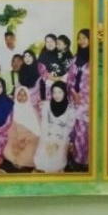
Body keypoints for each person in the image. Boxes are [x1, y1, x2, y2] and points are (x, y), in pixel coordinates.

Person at [33, 81, 76, 173]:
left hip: (62, 135)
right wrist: (47, 137)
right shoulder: (47, 105)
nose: (57, 95)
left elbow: (69, 127)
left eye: (60, 92)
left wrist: (58, 138)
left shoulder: (70, 109)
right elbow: (44, 122)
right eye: (54, 92)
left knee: (57, 156)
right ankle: (42, 166)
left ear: (65, 93)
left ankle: (56, 167)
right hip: (47, 133)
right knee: (44, 148)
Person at [65, 29, 90, 170]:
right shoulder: (75, 59)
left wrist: (83, 95)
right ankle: (73, 159)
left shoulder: (96, 60)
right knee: (73, 130)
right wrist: (72, 92)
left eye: (84, 38)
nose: (81, 41)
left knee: (83, 132)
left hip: (87, 102)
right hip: (73, 100)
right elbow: (70, 78)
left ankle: (82, 162)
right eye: (79, 38)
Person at [4, 86, 40, 171]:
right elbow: (10, 128)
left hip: (30, 139)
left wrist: (26, 140)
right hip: (15, 137)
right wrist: (16, 141)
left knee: (31, 152)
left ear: (28, 96)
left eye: (24, 95)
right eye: (19, 94)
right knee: (8, 150)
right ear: (16, 96)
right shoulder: (13, 109)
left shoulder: (32, 110)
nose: (21, 97)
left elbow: (37, 132)